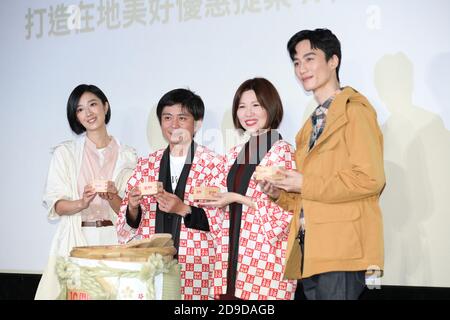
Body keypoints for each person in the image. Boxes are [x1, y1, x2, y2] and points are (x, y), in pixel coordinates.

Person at [260, 28, 385, 300]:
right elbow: (311, 194)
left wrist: (303, 182)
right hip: (310, 248)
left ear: (333, 61)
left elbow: (370, 179)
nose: (302, 68)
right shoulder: (310, 124)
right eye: (296, 62)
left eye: (309, 58)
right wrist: (280, 194)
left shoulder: (354, 111)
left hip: (341, 247)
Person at [116, 88, 225, 300]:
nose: (174, 125)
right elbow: (127, 223)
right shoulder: (146, 165)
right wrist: (132, 206)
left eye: (182, 118)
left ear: (197, 123)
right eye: (167, 118)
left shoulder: (215, 165)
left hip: (197, 267)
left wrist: (183, 209)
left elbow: (223, 220)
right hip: (151, 267)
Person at [35, 84, 138, 299]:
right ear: (76, 117)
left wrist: (113, 197)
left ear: (105, 107)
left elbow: (131, 213)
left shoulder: (129, 155)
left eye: (93, 104)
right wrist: (81, 202)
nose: (88, 113)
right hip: (77, 239)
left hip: (114, 242)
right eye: (80, 109)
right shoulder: (65, 153)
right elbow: (56, 203)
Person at [203, 78, 298, 300]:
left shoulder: (282, 151)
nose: (248, 113)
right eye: (242, 106)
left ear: (270, 106)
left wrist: (235, 197)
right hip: (231, 254)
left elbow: (286, 211)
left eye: (256, 105)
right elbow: (222, 200)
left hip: (266, 258)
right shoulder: (235, 152)